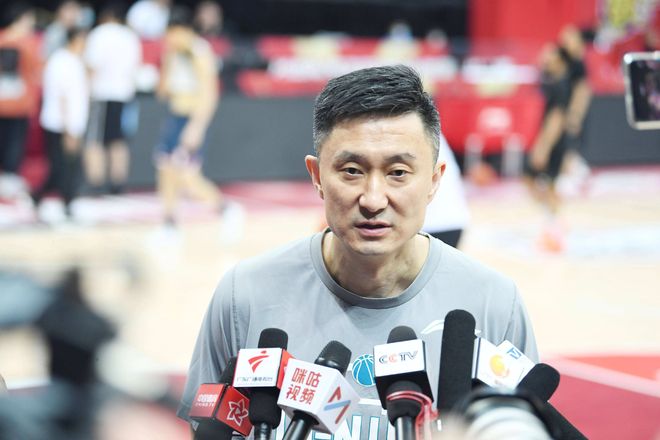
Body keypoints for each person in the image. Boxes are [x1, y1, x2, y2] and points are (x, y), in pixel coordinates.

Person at [177, 65, 538, 438]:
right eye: (351, 170)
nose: (373, 199)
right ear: (317, 176)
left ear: (434, 181)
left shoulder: (495, 304)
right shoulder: (244, 296)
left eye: (398, 173)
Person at [154, 6, 231, 233]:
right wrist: (167, 65)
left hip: (191, 119)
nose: (170, 39)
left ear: (185, 30)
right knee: (165, 169)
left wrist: (196, 127)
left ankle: (225, 209)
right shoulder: (172, 53)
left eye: (173, 33)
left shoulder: (200, 52)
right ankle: (169, 222)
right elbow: (163, 92)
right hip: (175, 116)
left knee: (187, 177)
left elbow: (209, 94)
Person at [31, 27, 89, 221]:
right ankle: (64, 201)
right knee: (64, 166)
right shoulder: (62, 62)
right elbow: (63, 96)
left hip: (71, 124)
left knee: (65, 166)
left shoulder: (74, 60)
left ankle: (42, 196)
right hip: (60, 124)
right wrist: (68, 129)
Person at [83, 3, 142, 195]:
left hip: (101, 94)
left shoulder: (99, 34)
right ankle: (118, 183)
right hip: (124, 95)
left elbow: (92, 66)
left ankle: (96, 182)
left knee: (95, 140)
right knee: (118, 140)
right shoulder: (130, 36)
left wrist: (85, 92)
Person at [523, 44, 572, 252]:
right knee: (534, 181)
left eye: (549, 53)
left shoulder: (562, 85)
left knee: (548, 184)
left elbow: (556, 119)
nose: (544, 56)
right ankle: (554, 221)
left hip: (553, 142)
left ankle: (556, 229)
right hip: (546, 139)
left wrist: (544, 146)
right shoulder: (549, 81)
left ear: (560, 59)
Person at [0, 2, 40, 200]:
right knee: (14, 144)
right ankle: (8, 181)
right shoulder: (28, 43)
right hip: (19, 104)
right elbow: (35, 71)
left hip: (6, 103)